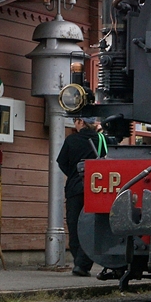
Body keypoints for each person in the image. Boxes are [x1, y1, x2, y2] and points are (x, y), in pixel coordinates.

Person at [56, 116, 106, 277]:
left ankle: (79, 261)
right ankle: (84, 263)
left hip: (74, 188)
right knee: (92, 226)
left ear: (80, 122)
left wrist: (73, 174)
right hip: (96, 189)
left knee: (74, 224)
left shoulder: (71, 140)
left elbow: (62, 162)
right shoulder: (101, 140)